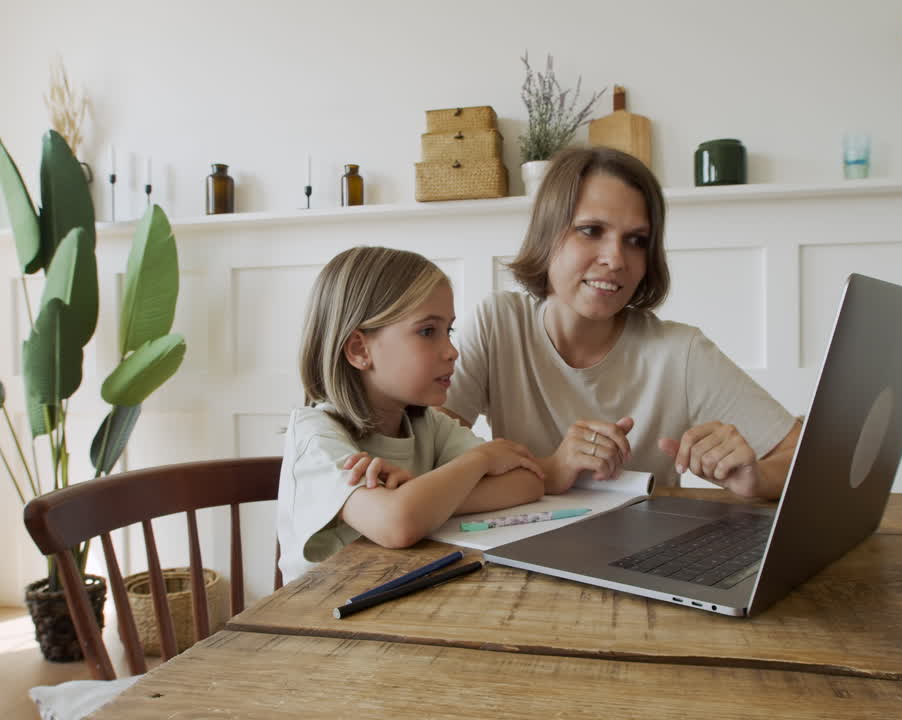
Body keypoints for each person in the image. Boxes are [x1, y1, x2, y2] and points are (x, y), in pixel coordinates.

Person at [444, 147, 802, 500]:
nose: (615, 259)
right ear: (547, 234)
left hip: (649, 551)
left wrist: (757, 478)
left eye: (636, 241)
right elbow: (429, 456)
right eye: (591, 230)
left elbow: (801, 455)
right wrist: (552, 469)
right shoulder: (499, 324)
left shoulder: (680, 352)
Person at [276, 246, 547, 584]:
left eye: (448, 330)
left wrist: (418, 495)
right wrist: (480, 460)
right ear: (360, 349)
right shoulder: (316, 436)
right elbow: (397, 525)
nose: (452, 351)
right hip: (319, 625)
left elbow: (528, 481)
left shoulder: (425, 424)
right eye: (427, 331)